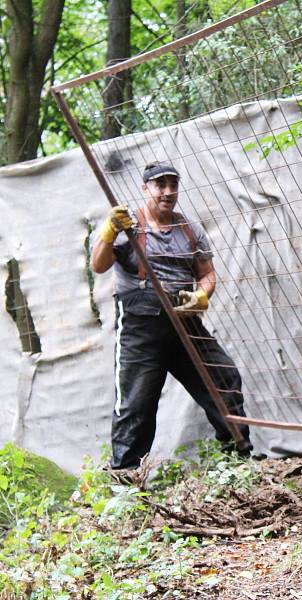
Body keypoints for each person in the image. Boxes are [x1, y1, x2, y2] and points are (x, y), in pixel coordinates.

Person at [91, 161, 252, 470]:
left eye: (172, 185)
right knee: (135, 403)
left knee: (223, 378)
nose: (167, 192)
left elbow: (207, 274)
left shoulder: (190, 229)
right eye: (159, 185)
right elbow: (98, 265)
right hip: (141, 325)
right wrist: (109, 231)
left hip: (184, 322)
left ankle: (239, 462)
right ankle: (125, 478)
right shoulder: (128, 225)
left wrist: (202, 294)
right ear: (145, 188)